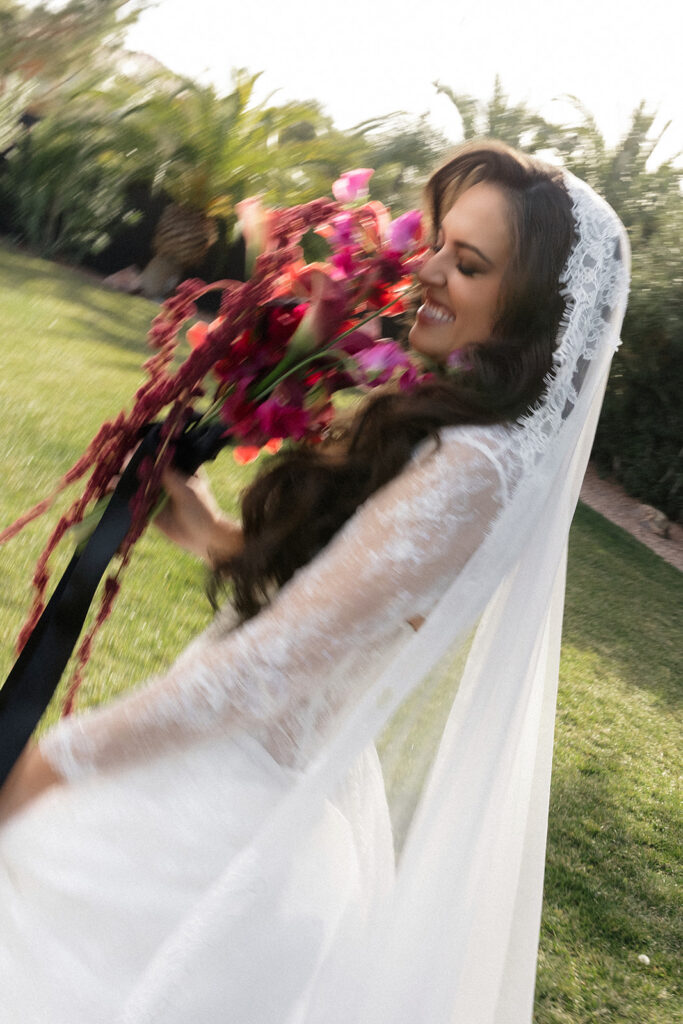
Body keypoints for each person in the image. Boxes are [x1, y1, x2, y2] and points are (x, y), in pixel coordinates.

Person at [0, 142, 629, 1024]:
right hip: (232, 790)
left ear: (528, 315)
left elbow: (268, 669)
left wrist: (51, 761)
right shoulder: (468, 442)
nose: (431, 270)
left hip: (212, 826)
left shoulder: (477, 465)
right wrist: (221, 537)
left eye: (470, 264)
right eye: (440, 243)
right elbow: (353, 609)